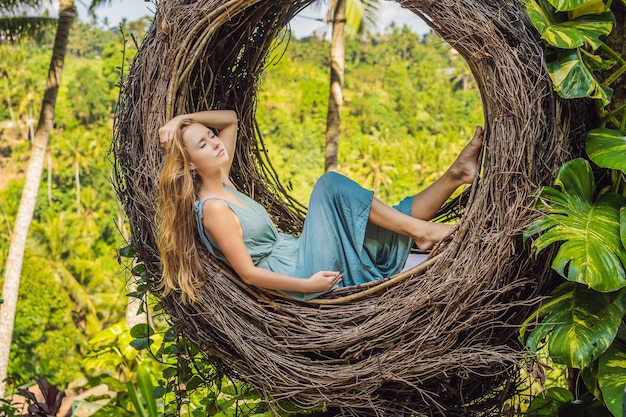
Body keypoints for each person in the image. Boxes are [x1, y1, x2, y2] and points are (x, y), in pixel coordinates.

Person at [157, 110, 483, 303]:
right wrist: (309, 285)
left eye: (211, 137)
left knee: (377, 220)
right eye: (203, 144)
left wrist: (184, 120)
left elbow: (231, 120)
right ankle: (422, 231)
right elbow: (249, 274)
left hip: (299, 252)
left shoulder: (223, 180)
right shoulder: (213, 208)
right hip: (298, 272)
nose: (216, 143)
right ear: (189, 166)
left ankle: (456, 175)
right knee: (328, 186)